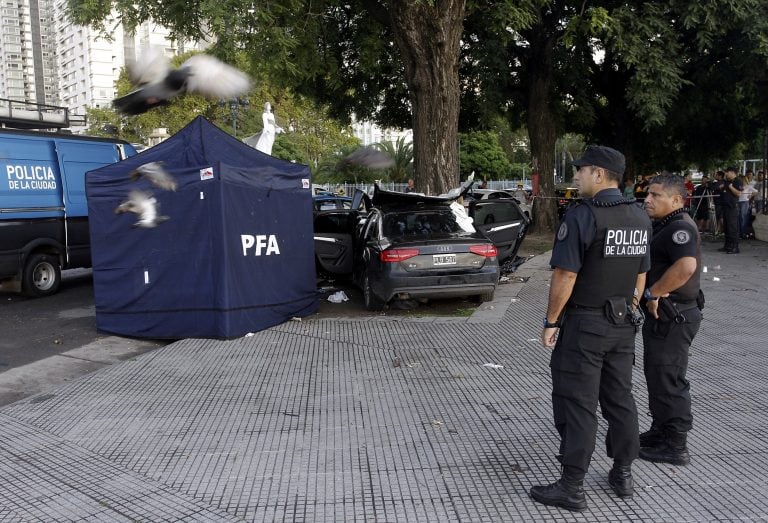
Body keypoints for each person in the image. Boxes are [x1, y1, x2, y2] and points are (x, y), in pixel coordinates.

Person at [530, 145, 651, 512]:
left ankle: (571, 485)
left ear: (599, 174)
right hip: (622, 326)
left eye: (581, 170)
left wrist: (552, 321)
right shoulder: (639, 216)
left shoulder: (584, 216)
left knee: (578, 402)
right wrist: (628, 308)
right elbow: (641, 274)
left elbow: (566, 273)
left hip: (584, 324)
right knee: (620, 399)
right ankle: (623, 472)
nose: (577, 176)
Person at [639, 173, 703, 466]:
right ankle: (660, 430)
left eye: (655, 195)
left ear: (677, 200)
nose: (647, 199)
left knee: (668, 378)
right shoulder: (666, 224)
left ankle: (675, 445)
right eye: (648, 194)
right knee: (657, 375)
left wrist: (654, 292)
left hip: (674, 314)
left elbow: (686, 266)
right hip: (666, 316)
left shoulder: (680, 227)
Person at [719, 167, 742, 253]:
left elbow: (739, 193)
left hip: (732, 207)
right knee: (727, 227)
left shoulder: (737, 181)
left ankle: (735, 247)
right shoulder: (727, 182)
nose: (726, 174)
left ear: (732, 172)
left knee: (732, 227)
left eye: (727, 172)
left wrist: (731, 187)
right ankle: (727, 246)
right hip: (725, 207)